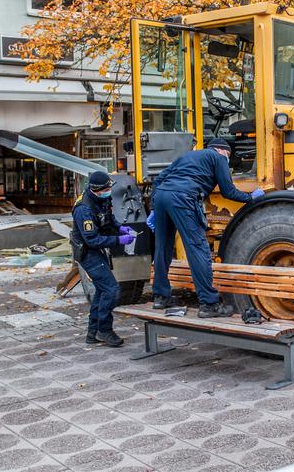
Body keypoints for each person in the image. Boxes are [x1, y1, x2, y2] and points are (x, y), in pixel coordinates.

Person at [148, 138, 264, 317]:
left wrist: (155, 208)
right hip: (183, 198)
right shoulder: (218, 158)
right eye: (228, 155)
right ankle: (209, 304)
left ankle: (160, 297)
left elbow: (159, 180)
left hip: (162, 197)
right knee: (197, 248)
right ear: (222, 150)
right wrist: (251, 196)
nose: (227, 159)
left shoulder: (188, 156)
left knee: (162, 247)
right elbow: (228, 190)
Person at [71, 171, 136, 347]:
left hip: (95, 249)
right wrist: (118, 240)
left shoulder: (101, 198)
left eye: (109, 187)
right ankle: (104, 330)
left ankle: (93, 333)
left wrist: (121, 228)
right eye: (106, 188)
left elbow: (108, 219)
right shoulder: (83, 209)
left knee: (102, 291)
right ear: (96, 190)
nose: (109, 191)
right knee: (112, 290)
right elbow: (91, 239)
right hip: (87, 251)